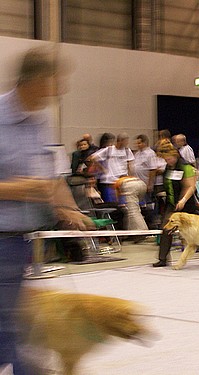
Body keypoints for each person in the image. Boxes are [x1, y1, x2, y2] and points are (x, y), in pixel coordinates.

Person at [0, 46, 95, 374]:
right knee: (11, 326)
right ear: (37, 80)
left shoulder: (40, 122)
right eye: (58, 80)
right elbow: (32, 184)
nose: (63, 88)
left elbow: (52, 176)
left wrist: (68, 208)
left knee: (12, 323)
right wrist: (19, 188)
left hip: (19, 243)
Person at [153, 142, 199, 267]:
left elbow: (190, 187)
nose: (167, 162)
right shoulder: (168, 168)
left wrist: (183, 200)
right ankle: (163, 258)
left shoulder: (186, 167)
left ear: (175, 155)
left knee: (196, 232)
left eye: (168, 159)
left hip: (187, 204)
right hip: (172, 203)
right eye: (165, 160)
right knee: (166, 228)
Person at [89, 132, 135, 202]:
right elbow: (93, 158)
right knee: (112, 203)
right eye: (125, 141)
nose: (127, 143)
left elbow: (130, 165)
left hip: (122, 181)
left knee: (123, 203)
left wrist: (131, 177)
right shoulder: (109, 150)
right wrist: (102, 168)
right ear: (120, 141)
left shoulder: (127, 151)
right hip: (110, 181)